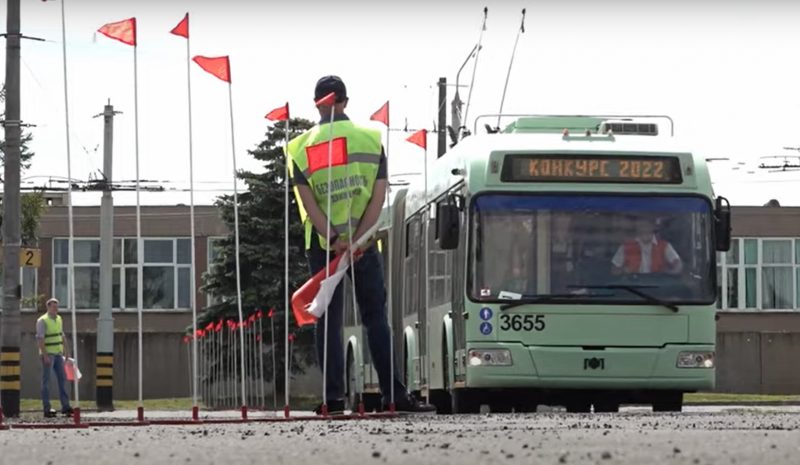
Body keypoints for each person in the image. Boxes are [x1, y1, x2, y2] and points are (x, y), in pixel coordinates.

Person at [287, 75, 435, 414]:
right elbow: (379, 192)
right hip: (364, 244)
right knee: (375, 319)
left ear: (318, 104)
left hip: (324, 246)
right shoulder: (369, 139)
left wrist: (335, 239)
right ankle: (394, 397)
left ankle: (333, 400)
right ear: (344, 101)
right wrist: (358, 239)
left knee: (328, 320)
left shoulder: (300, 147)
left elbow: (308, 202)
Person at [36, 297, 73, 418]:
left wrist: (66, 352)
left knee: (63, 380)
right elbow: (40, 339)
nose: (55, 308)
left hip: (58, 354)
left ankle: (66, 406)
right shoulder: (42, 320)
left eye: (57, 306)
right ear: (48, 307)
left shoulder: (59, 319)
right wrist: (45, 355)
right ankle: (47, 408)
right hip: (48, 355)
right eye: (53, 306)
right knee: (46, 381)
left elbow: (61, 336)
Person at [611, 217, 682, 275]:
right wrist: (623, 271)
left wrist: (670, 272)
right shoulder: (626, 246)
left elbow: (678, 264)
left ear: (653, 228)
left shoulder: (665, 246)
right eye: (642, 225)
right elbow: (614, 270)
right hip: (632, 286)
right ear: (637, 228)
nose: (645, 228)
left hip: (659, 287)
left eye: (647, 225)